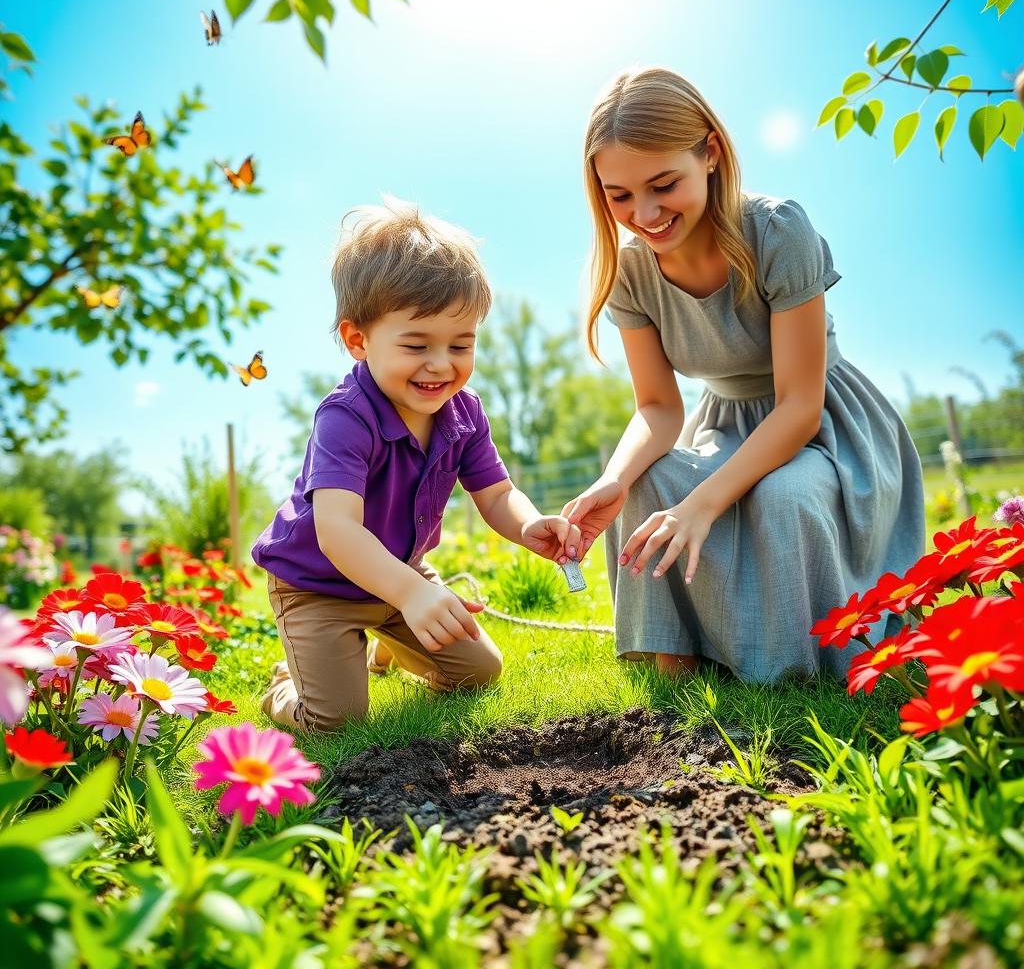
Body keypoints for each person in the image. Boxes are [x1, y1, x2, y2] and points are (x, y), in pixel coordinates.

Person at [561, 67, 925, 682]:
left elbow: (799, 407)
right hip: (722, 423)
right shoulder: (629, 271)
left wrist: (700, 503)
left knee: (783, 496)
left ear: (710, 152)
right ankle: (675, 661)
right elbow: (657, 408)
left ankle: (797, 671)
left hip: (824, 427)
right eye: (618, 195)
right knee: (644, 486)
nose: (644, 213)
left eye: (663, 184)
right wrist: (614, 478)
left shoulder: (778, 231)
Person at [252, 200, 580, 731]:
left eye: (461, 344)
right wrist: (411, 593)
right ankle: (284, 686)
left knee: (480, 672)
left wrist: (528, 524)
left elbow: (496, 495)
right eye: (416, 344)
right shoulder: (346, 418)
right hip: (318, 586)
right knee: (337, 719)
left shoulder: (464, 413)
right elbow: (337, 533)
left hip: (402, 576)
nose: (440, 364)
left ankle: (386, 645)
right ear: (358, 339)